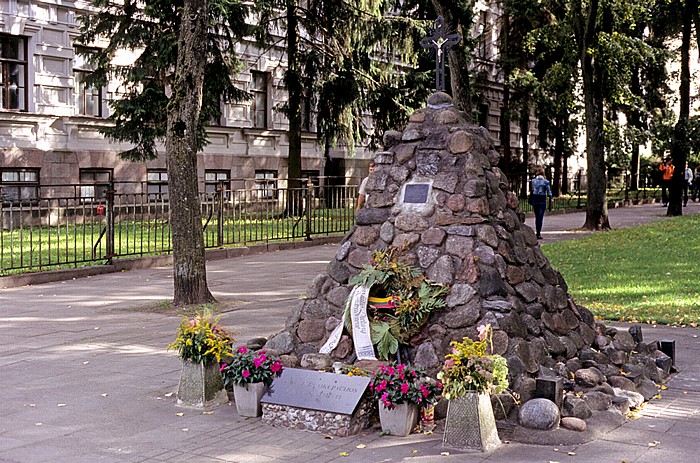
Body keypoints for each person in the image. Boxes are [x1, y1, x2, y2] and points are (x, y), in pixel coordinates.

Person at [530, 166, 552, 240]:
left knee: (536, 216)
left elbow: (533, 190)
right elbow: (549, 192)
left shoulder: (533, 181)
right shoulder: (546, 182)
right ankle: (538, 233)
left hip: (535, 199)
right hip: (542, 199)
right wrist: (550, 197)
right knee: (540, 216)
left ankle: (537, 231)